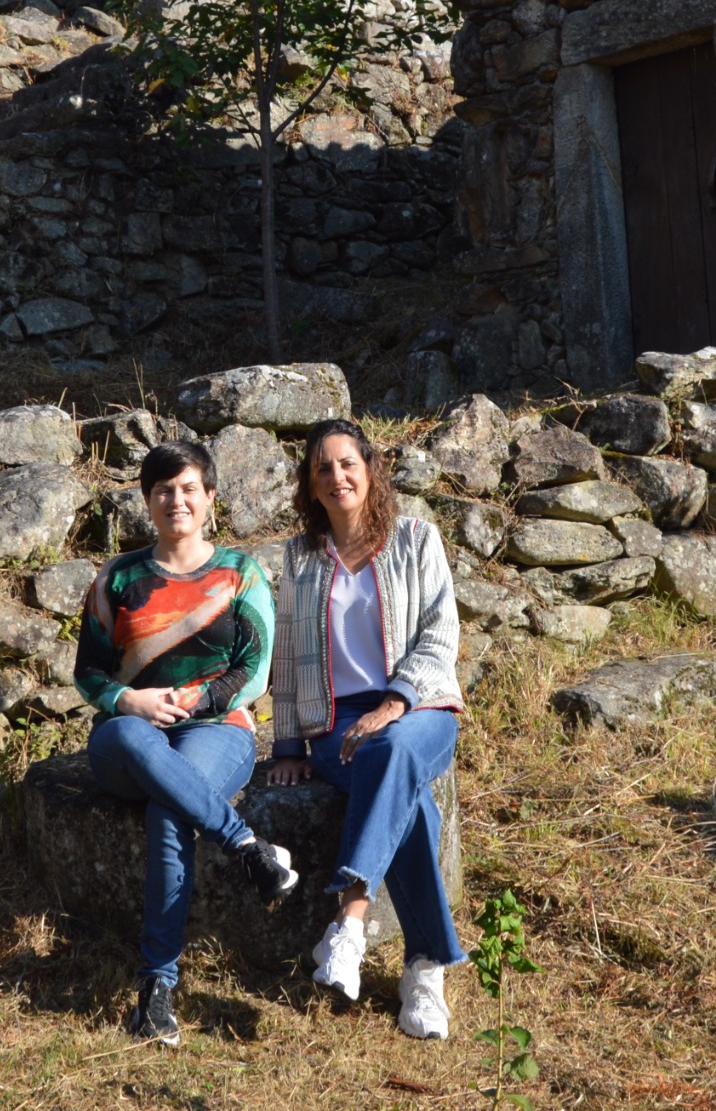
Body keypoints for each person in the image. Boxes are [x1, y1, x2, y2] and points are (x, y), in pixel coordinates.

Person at [77, 439, 301, 1046]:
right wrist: (132, 701)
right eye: (162, 490)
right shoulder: (119, 576)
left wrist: (194, 702)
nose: (176, 500)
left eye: (188, 489)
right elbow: (90, 672)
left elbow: (254, 670)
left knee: (170, 813)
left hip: (216, 731)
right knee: (127, 735)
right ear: (147, 499)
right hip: (127, 738)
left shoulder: (240, 572)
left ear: (209, 498)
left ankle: (157, 989)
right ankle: (247, 844)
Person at [267, 417, 466, 1041]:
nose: (336, 476)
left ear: (370, 469)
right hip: (336, 721)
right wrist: (288, 745)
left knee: (397, 748)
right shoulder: (300, 559)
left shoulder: (414, 538)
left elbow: (439, 636)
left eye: (347, 463)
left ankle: (349, 921)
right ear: (311, 484)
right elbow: (289, 653)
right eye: (322, 468)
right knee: (410, 800)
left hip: (422, 707)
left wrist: (397, 702)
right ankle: (425, 969)